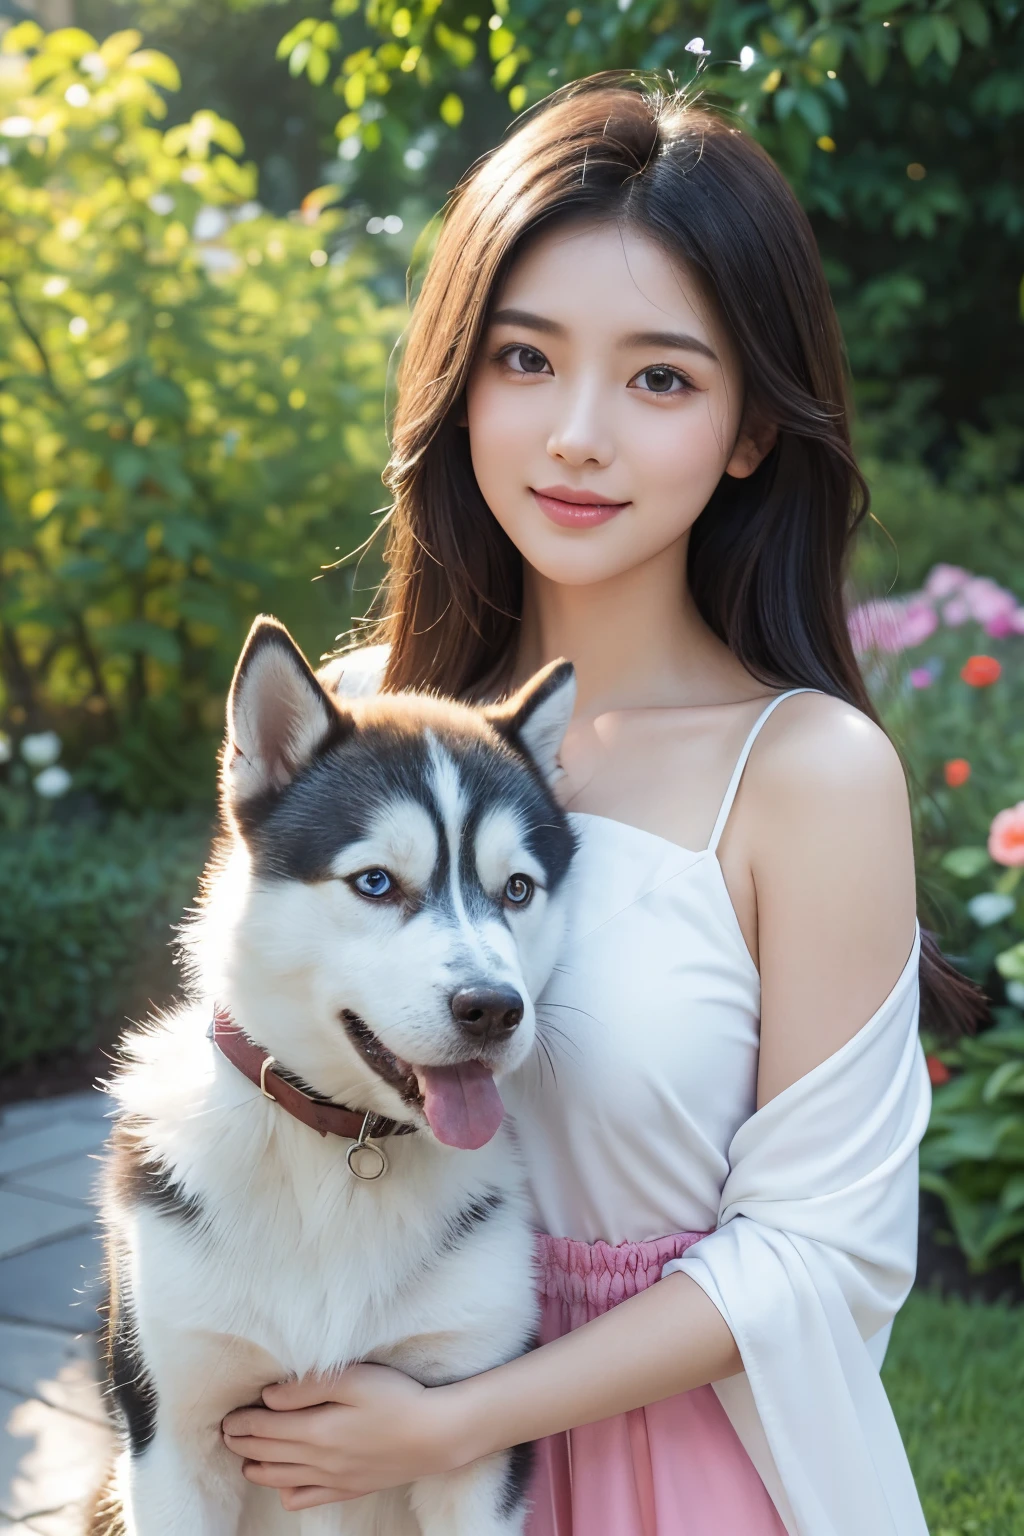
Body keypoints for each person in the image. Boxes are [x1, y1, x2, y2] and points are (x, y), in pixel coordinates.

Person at [221, 74, 981, 1534]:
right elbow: (245, 1093)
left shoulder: (806, 771)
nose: (578, 433)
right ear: (461, 374)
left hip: (666, 1470)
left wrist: (455, 1420)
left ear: (753, 429)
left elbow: (822, 1249)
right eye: (525, 358)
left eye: (661, 379)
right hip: (356, 1472)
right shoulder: (357, 716)